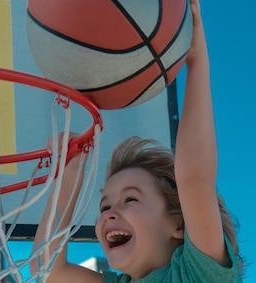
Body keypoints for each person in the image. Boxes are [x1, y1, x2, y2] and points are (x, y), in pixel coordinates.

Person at [31, 0, 243, 281]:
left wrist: (196, 60)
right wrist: (70, 176)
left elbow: (194, 177)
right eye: (105, 206)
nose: (108, 214)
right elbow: (47, 268)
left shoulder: (195, 274)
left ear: (179, 224)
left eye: (130, 199)